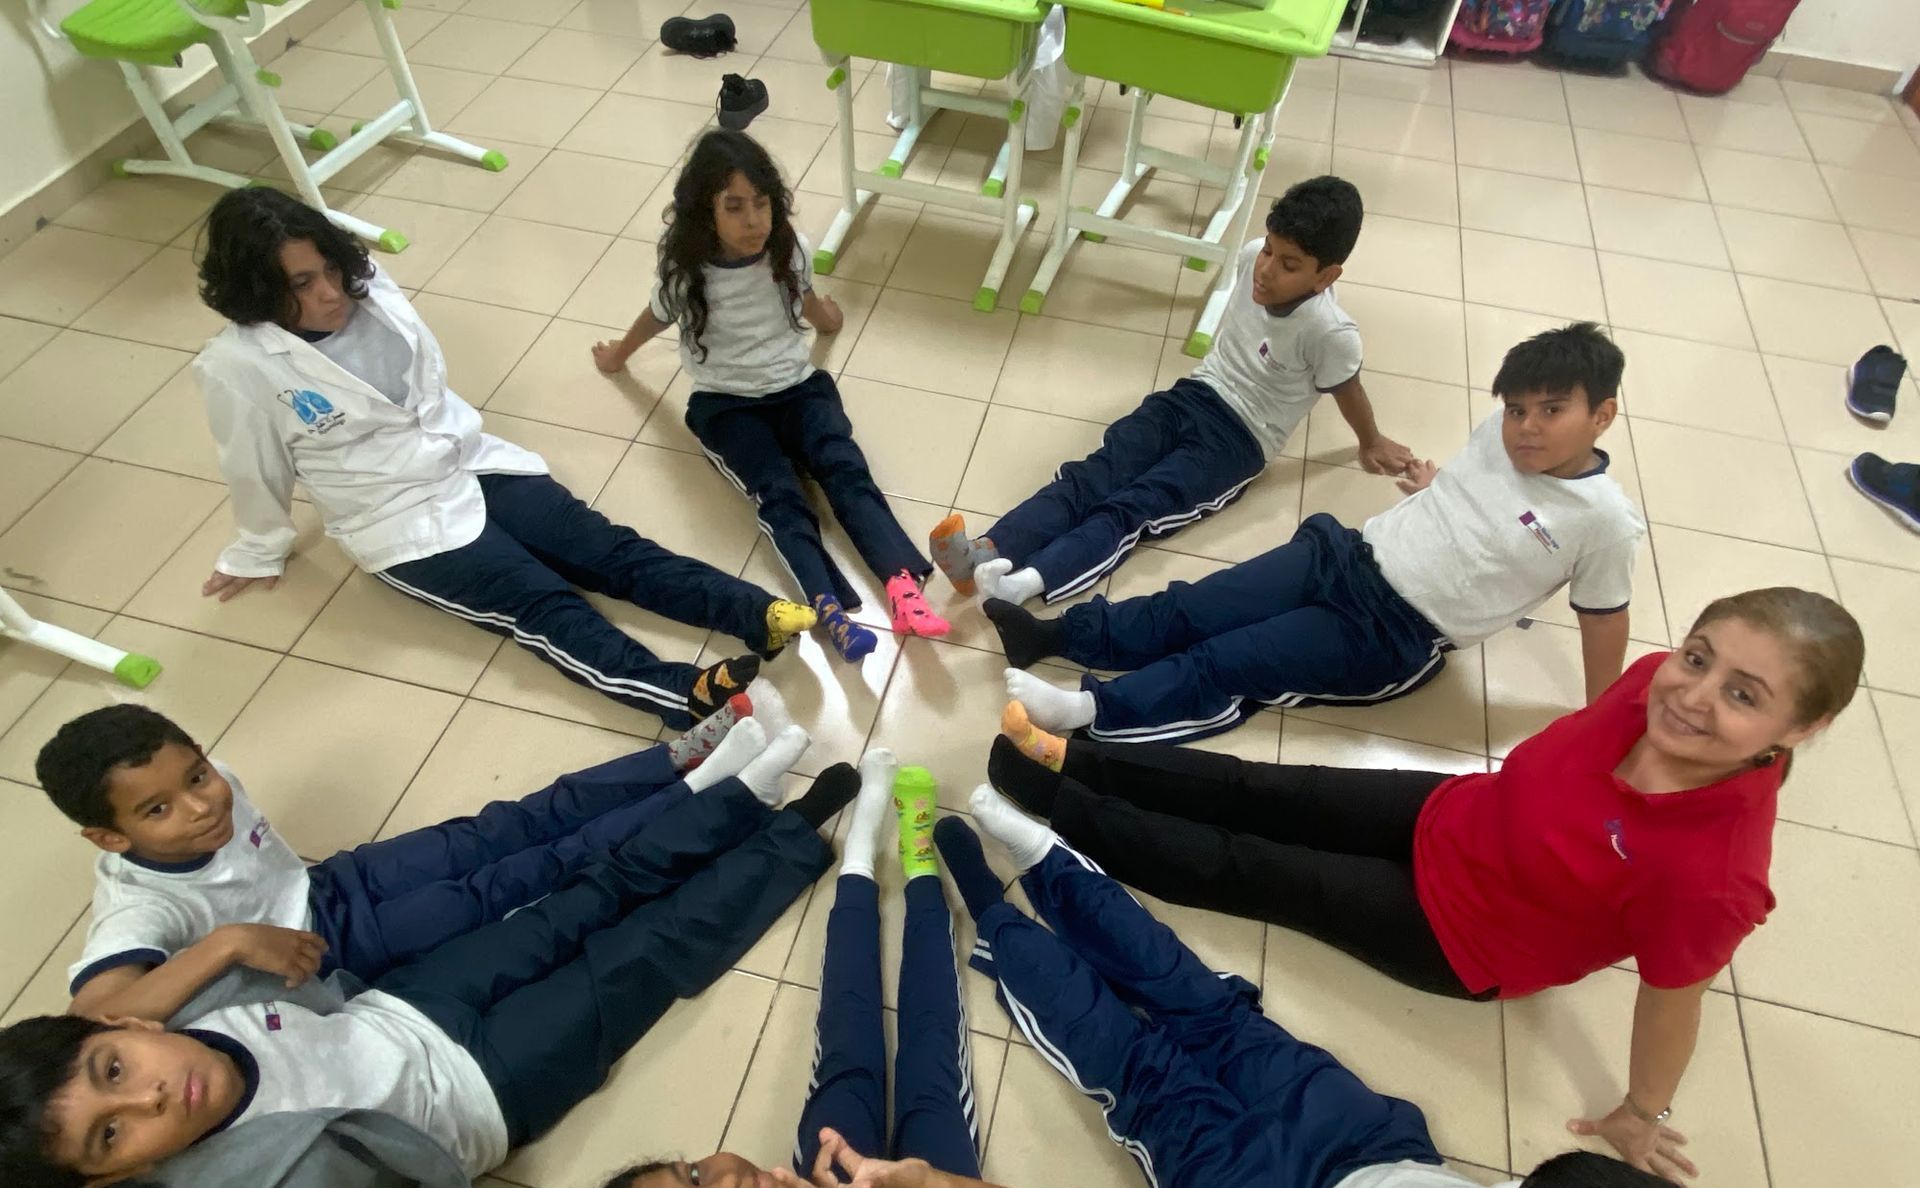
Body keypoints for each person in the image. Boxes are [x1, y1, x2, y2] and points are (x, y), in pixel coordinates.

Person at [0, 712, 856, 1188]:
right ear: (115, 1174)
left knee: (585, 899)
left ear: (118, 1026)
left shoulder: (174, 1007)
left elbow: (179, 992)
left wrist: (244, 948)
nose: (149, 1093)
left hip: (410, 1005)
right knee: (642, 955)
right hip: (483, 1094)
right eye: (113, 1132)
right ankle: (790, 841)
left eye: (114, 1068)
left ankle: (740, 799)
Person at [930, 791, 1773, 1188]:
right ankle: (1040, 852)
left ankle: (993, 911)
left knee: (1141, 1077)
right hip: (1375, 1155)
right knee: (1214, 1010)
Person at [987, 586, 1866, 1181]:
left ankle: (1061, 805)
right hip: (1454, 815)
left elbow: (1674, 1000)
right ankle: (1083, 760)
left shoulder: (1713, 874)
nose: (1692, 695)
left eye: (1744, 695)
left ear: (1804, 727)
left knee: (1247, 866)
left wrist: (1642, 1109)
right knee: (1261, 788)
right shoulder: (1649, 684)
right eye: (1700, 656)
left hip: (1459, 932)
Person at [551, 752, 1107, 1188]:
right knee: (932, 1066)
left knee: (847, 1053)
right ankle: (922, 870)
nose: (721, 1183)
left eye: (690, 1174)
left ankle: (860, 864)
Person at [193, 187, 815, 729]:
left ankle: (756, 612)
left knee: (605, 549)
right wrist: (259, 546)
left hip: (469, 457)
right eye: (301, 285)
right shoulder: (238, 367)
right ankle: (680, 694)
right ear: (257, 290)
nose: (332, 294)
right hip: (397, 517)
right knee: (541, 604)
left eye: (329, 268)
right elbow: (251, 464)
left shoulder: (369, 284)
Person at [989, 321, 1644, 743]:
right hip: (1347, 555)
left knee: (1227, 660)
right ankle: (1052, 635)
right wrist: (1434, 489)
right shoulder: (1499, 437)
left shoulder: (1603, 522)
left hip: (1394, 633)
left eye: (1552, 410)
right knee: (1192, 606)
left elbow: (1604, 621)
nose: (1527, 426)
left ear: (1602, 415)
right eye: (1518, 408)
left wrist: (1600, 721)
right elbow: (1482, 500)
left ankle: (1094, 711)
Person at [34, 697, 775, 1014]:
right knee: (521, 876)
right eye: (158, 810)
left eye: (195, 775)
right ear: (110, 839)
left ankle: (673, 761)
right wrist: (229, 942)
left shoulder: (213, 782)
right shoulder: (138, 905)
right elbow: (97, 1014)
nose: (202, 805)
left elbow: (238, 826)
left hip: (334, 882)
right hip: (333, 948)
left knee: (505, 826)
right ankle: (702, 792)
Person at [928, 175, 1415, 609]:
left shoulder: (1331, 332)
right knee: (1093, 474)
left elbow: (1347, 388)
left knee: (1134, 506)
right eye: (1268, 249)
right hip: (1192, 395)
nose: (1266, 269)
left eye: (1289, 264)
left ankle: (1029, 582)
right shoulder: (1251, 259)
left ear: (1326, 276)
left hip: (1240, 440)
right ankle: (986, 554)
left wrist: (1370, 441)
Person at [594, 129, 950, 663]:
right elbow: (657, 318)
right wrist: (619, 355)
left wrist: (829, 318)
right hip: (725, 405)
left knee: (845, 470)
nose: (754, 221)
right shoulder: (686, 274)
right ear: (703, 211)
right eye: (734, 207)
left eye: (761, 204)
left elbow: (805, 300)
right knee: (780, 497)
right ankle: (829, 607)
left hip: (799, 388)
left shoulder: (788, 249)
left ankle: (902, 587)